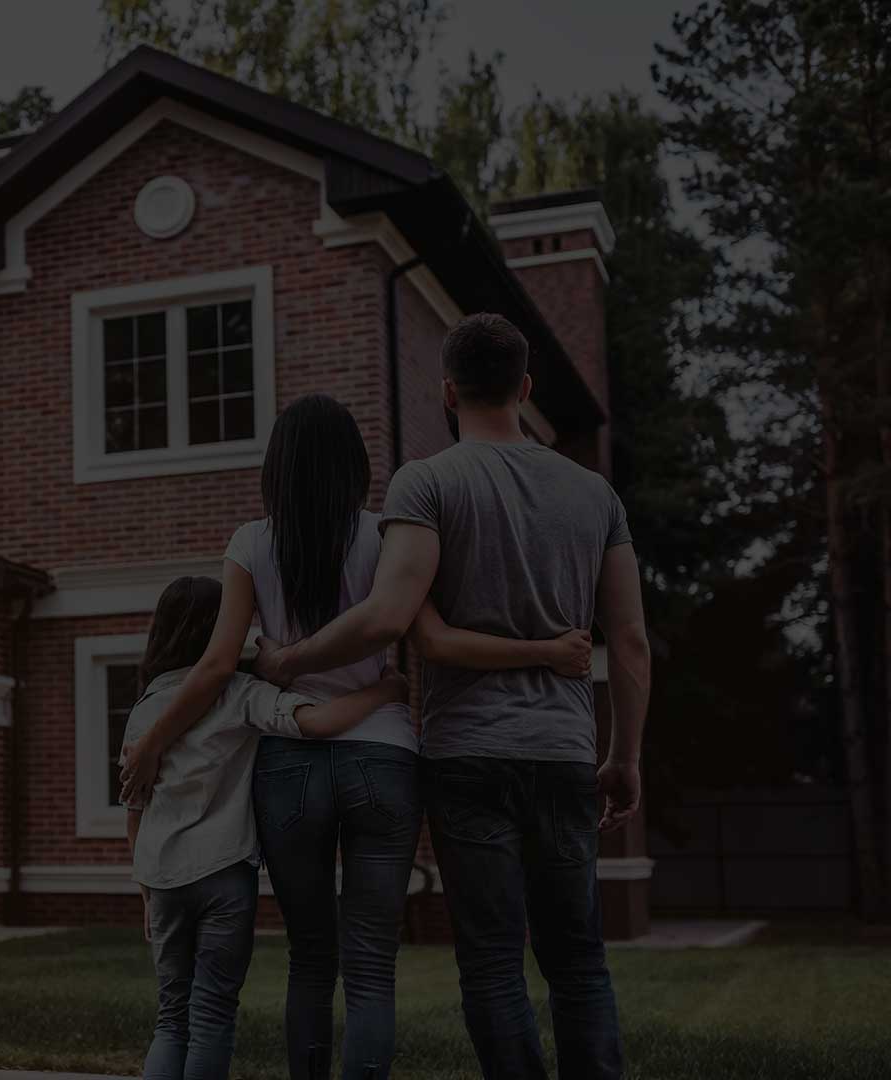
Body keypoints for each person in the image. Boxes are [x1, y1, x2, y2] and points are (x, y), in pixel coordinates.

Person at [120, 394, 590, 1080]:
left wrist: (156, 737)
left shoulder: (251, 544)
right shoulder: (388, 536)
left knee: (311, 956)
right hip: (383, 758)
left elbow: (219, 665)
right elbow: (423, 634)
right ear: (356, 465)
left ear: (275, 468)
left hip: (289, 767)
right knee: (372, 964)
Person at [251, 314, 651, 1080]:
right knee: (579, 963)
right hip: (565, 753)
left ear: (447, 390)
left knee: (495, 963)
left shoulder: (428, 481)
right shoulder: (594, 493)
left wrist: (287, 661)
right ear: (526, 388)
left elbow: (389, 618)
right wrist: (623, 755)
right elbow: (629, 642)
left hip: (467, 753)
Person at [121, 574, 409, 1080]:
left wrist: (146, 891)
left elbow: (135, 811)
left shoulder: (145, 710)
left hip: (163, 880)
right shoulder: (238, 693)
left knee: (171, 1019)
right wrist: (386, 691)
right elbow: (316, 722)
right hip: (223, 876)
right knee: (210, 1016)